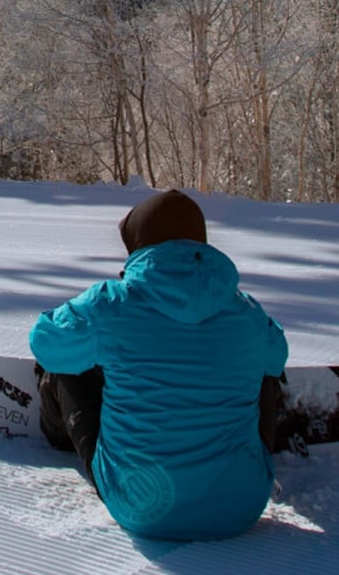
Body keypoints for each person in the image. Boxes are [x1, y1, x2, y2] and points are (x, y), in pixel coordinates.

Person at [30, 189, 288, 541]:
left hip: (142, 506)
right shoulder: (246, 311)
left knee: (64, 367)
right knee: (264, 369)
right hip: (241, 507)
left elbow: (45, 343)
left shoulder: (111, 304)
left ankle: (61, 433)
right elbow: (278, 358)